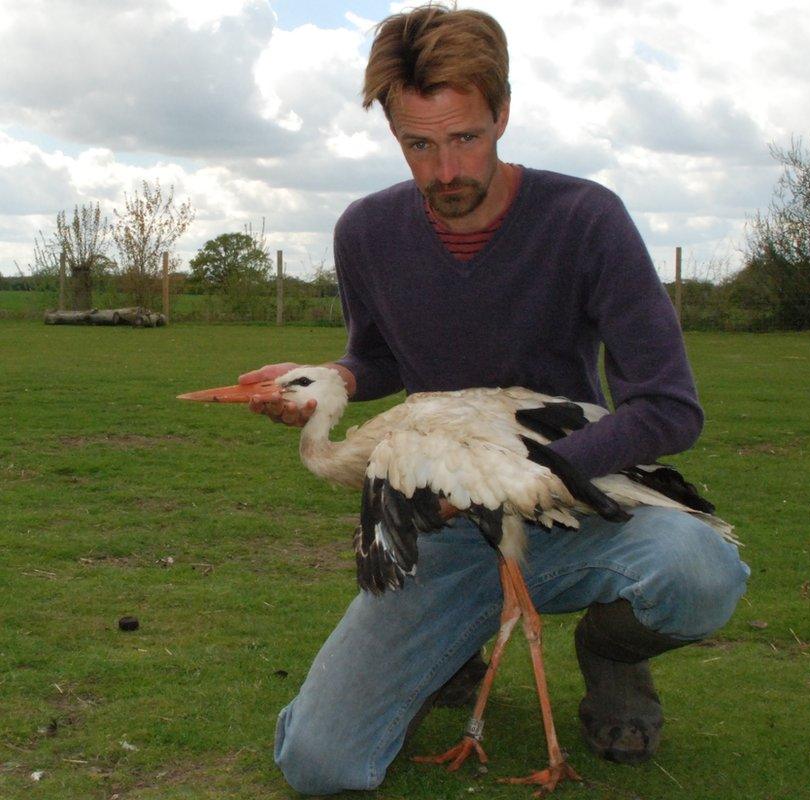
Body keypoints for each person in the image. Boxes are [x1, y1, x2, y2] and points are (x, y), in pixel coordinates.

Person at [243, 5, 749, 795]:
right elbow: (375, 357)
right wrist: (329, 384)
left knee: (700, 572)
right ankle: (450, 645)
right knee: (321, 767)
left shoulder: (585, 220)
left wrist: (533, 474)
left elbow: (669, 408)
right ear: (392, 132)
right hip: (445, 529)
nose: (445, 171)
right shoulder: (367, 231)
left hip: (578, 508)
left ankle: (611, 656)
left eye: (466, 137)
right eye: (419, 144)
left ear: (503, 112)